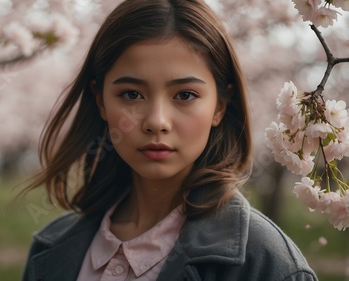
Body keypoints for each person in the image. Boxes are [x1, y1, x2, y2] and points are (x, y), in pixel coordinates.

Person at [19, 0, 318, 280]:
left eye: (185, 95)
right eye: (131, 94)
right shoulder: (52, 248)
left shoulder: (266, 265)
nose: (156, 122)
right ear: (101, 102)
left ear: (219, 105)